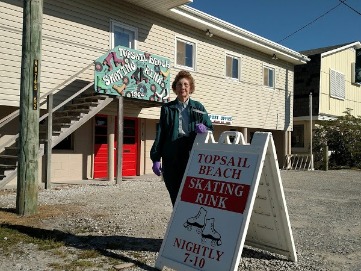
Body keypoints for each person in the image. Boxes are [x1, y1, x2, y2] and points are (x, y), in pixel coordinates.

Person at [150, 70, 213, 206]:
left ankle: (188, 219)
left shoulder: (198, 107)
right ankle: (177, 218)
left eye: (185, 84)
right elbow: (161, 133)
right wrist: (156, 158)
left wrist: (204, 128)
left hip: (191, 154)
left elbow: (209, 127)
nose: (182, 87)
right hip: (171, 154)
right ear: (175, 88)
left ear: (190, 88)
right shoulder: (167, 109)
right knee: (174, 189)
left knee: (191, 190)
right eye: (179, 84)